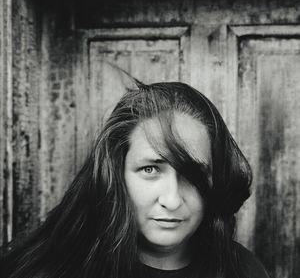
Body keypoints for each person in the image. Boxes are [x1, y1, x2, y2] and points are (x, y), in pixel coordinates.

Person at [0, 82, 270, 278]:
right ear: (117, 174)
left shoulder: (244, 270)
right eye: (151, 169)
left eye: (193, 175)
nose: (172, 200)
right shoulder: (48, 270)